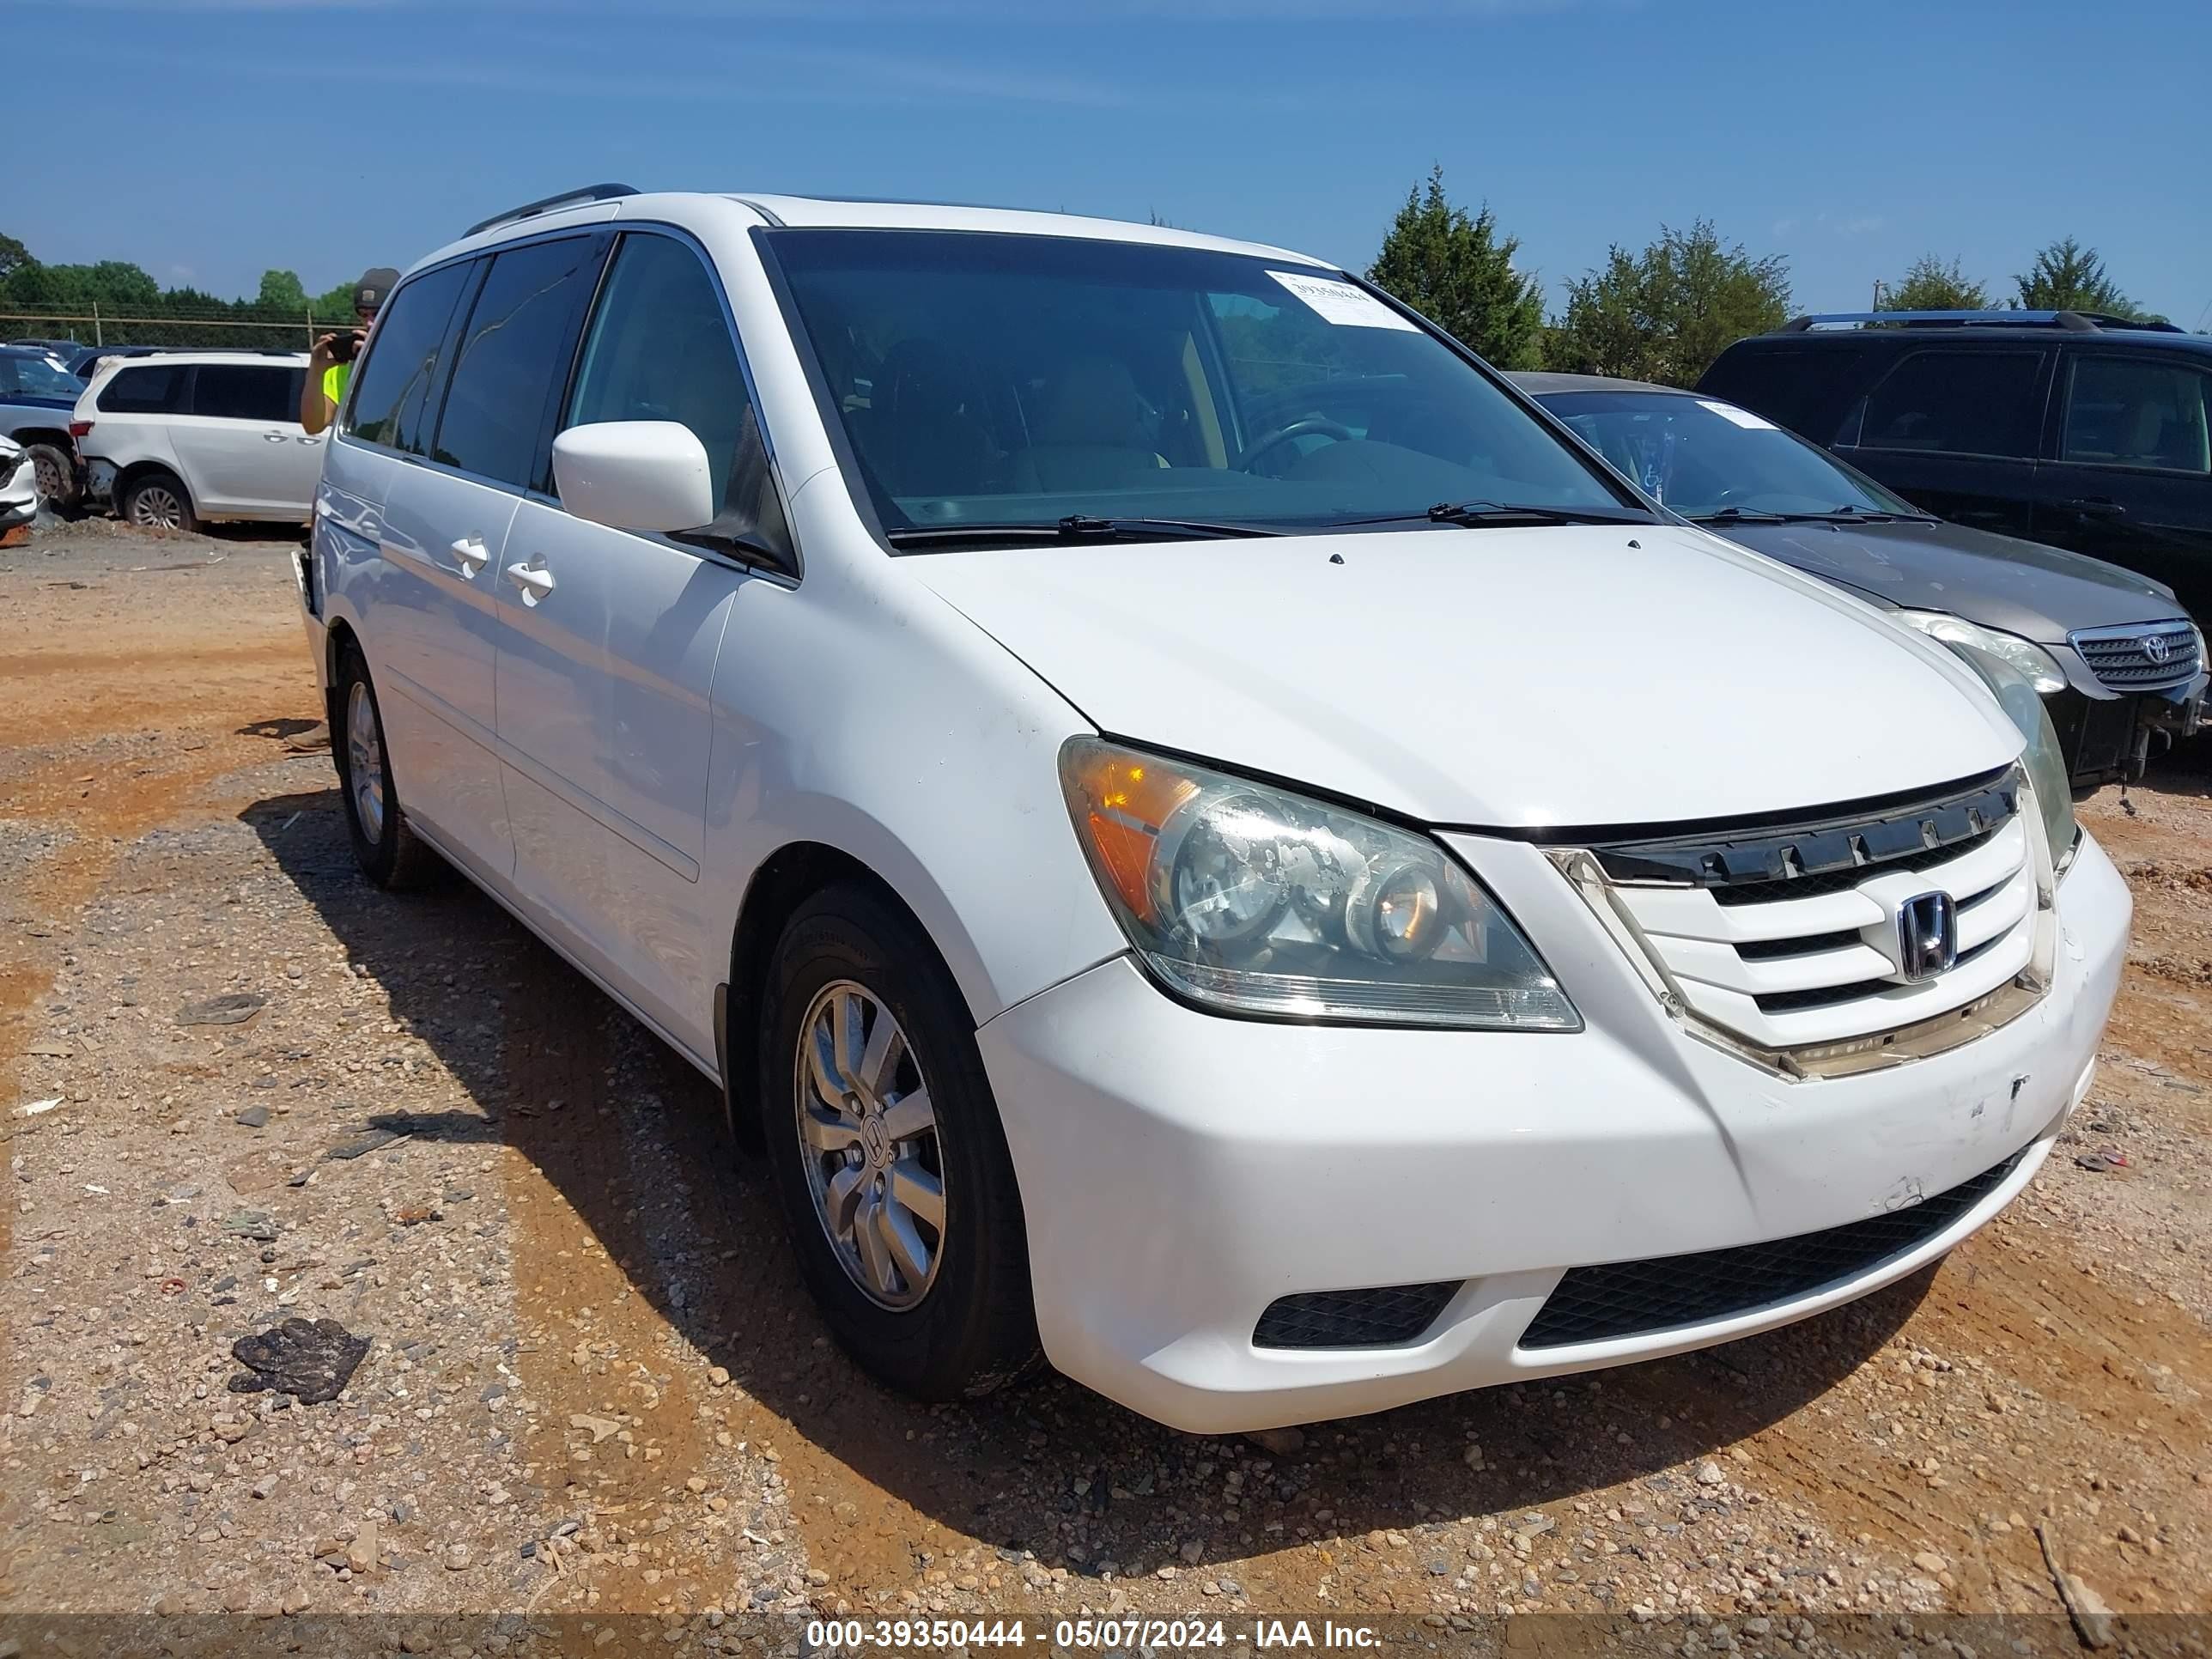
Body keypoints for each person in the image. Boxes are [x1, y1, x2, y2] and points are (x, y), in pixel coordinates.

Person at [301, 267, 399, 435]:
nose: (369, 323)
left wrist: (380, 361)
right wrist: (316, 372)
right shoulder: (345, 366)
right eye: (364, 314)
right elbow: (313, 426)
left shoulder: (417, 357)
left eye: (377, 313)